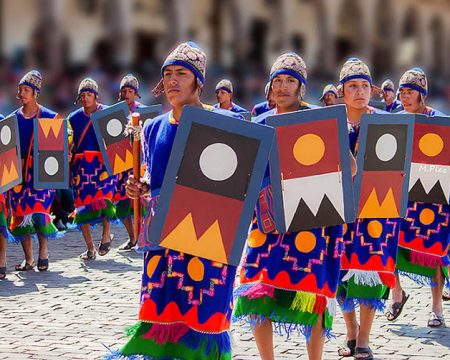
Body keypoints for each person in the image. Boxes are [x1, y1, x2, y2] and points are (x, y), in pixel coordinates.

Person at [113, 42, 242, 360]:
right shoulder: (154, 127)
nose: (172, 80)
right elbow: (153, 177)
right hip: (162, 244)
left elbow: (237, 184)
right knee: (164, 327)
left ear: (198, 81)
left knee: (202, 328)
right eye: (167, 74)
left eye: (181, 74)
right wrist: (140, 186)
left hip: (207, 242)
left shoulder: (223, 124)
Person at [233, 53, 353, 360]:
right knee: (258, 293)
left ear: (301, 87)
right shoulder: (258, 123)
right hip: (267, 224)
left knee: (310, 297)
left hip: (310, 223)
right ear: (270, 87)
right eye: (278, 81)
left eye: (290, 81)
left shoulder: (319, 120)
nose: (283, 87)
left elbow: (349, 168)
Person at [336, 58, 398, 360]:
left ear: (371, 91)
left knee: (371, 271)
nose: (358, 91)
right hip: (340, 210)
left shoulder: (388, 123)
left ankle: (363, 337)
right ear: (342, 91)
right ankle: (349, 329)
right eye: (352, 86)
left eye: (363, 86)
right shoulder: (330, 125)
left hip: (377, 211)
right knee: (342, 271)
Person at [386, 68, 448, 328]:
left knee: (433, 251)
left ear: (422, 94)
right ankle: (397, 292)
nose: (404, 97)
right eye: (402, 92)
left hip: (432, 197)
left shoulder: (440, 120)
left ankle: (436, 306)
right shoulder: (394, 119)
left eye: (410, 92)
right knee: (389, 245)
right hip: (400, 194)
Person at [9, 70, 62, 272]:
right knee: (22, 216)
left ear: (35, 93)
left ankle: (44, 253)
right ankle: (29, 259)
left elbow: (62, 143)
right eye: (20, 89)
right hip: (19, 174)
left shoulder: (50, 117)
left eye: (26, 90)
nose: (22, 93)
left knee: (40, 213)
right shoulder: (12, 119)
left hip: (42, 172)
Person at [68, 78, 117, 260]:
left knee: (105, 200)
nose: (86, 98)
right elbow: (67, 144)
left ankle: (106, 236)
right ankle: (90, 248)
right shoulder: (72, 119)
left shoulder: (108, 114)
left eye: (89, 95)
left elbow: (118, 138)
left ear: (96, 96)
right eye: (83, 95)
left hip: (103, 165)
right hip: (81, 168)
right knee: (81, 207)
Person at [115, 74, 146, 251]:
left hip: (139, 163)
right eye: (124, 91)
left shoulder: (143, 111)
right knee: (121, 206)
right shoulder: (114, 114)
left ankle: (143, 237)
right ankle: (132, 237)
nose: (127, 94)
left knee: (141, 203)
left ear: (136, 93)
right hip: (121, 167)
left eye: (130, 91)